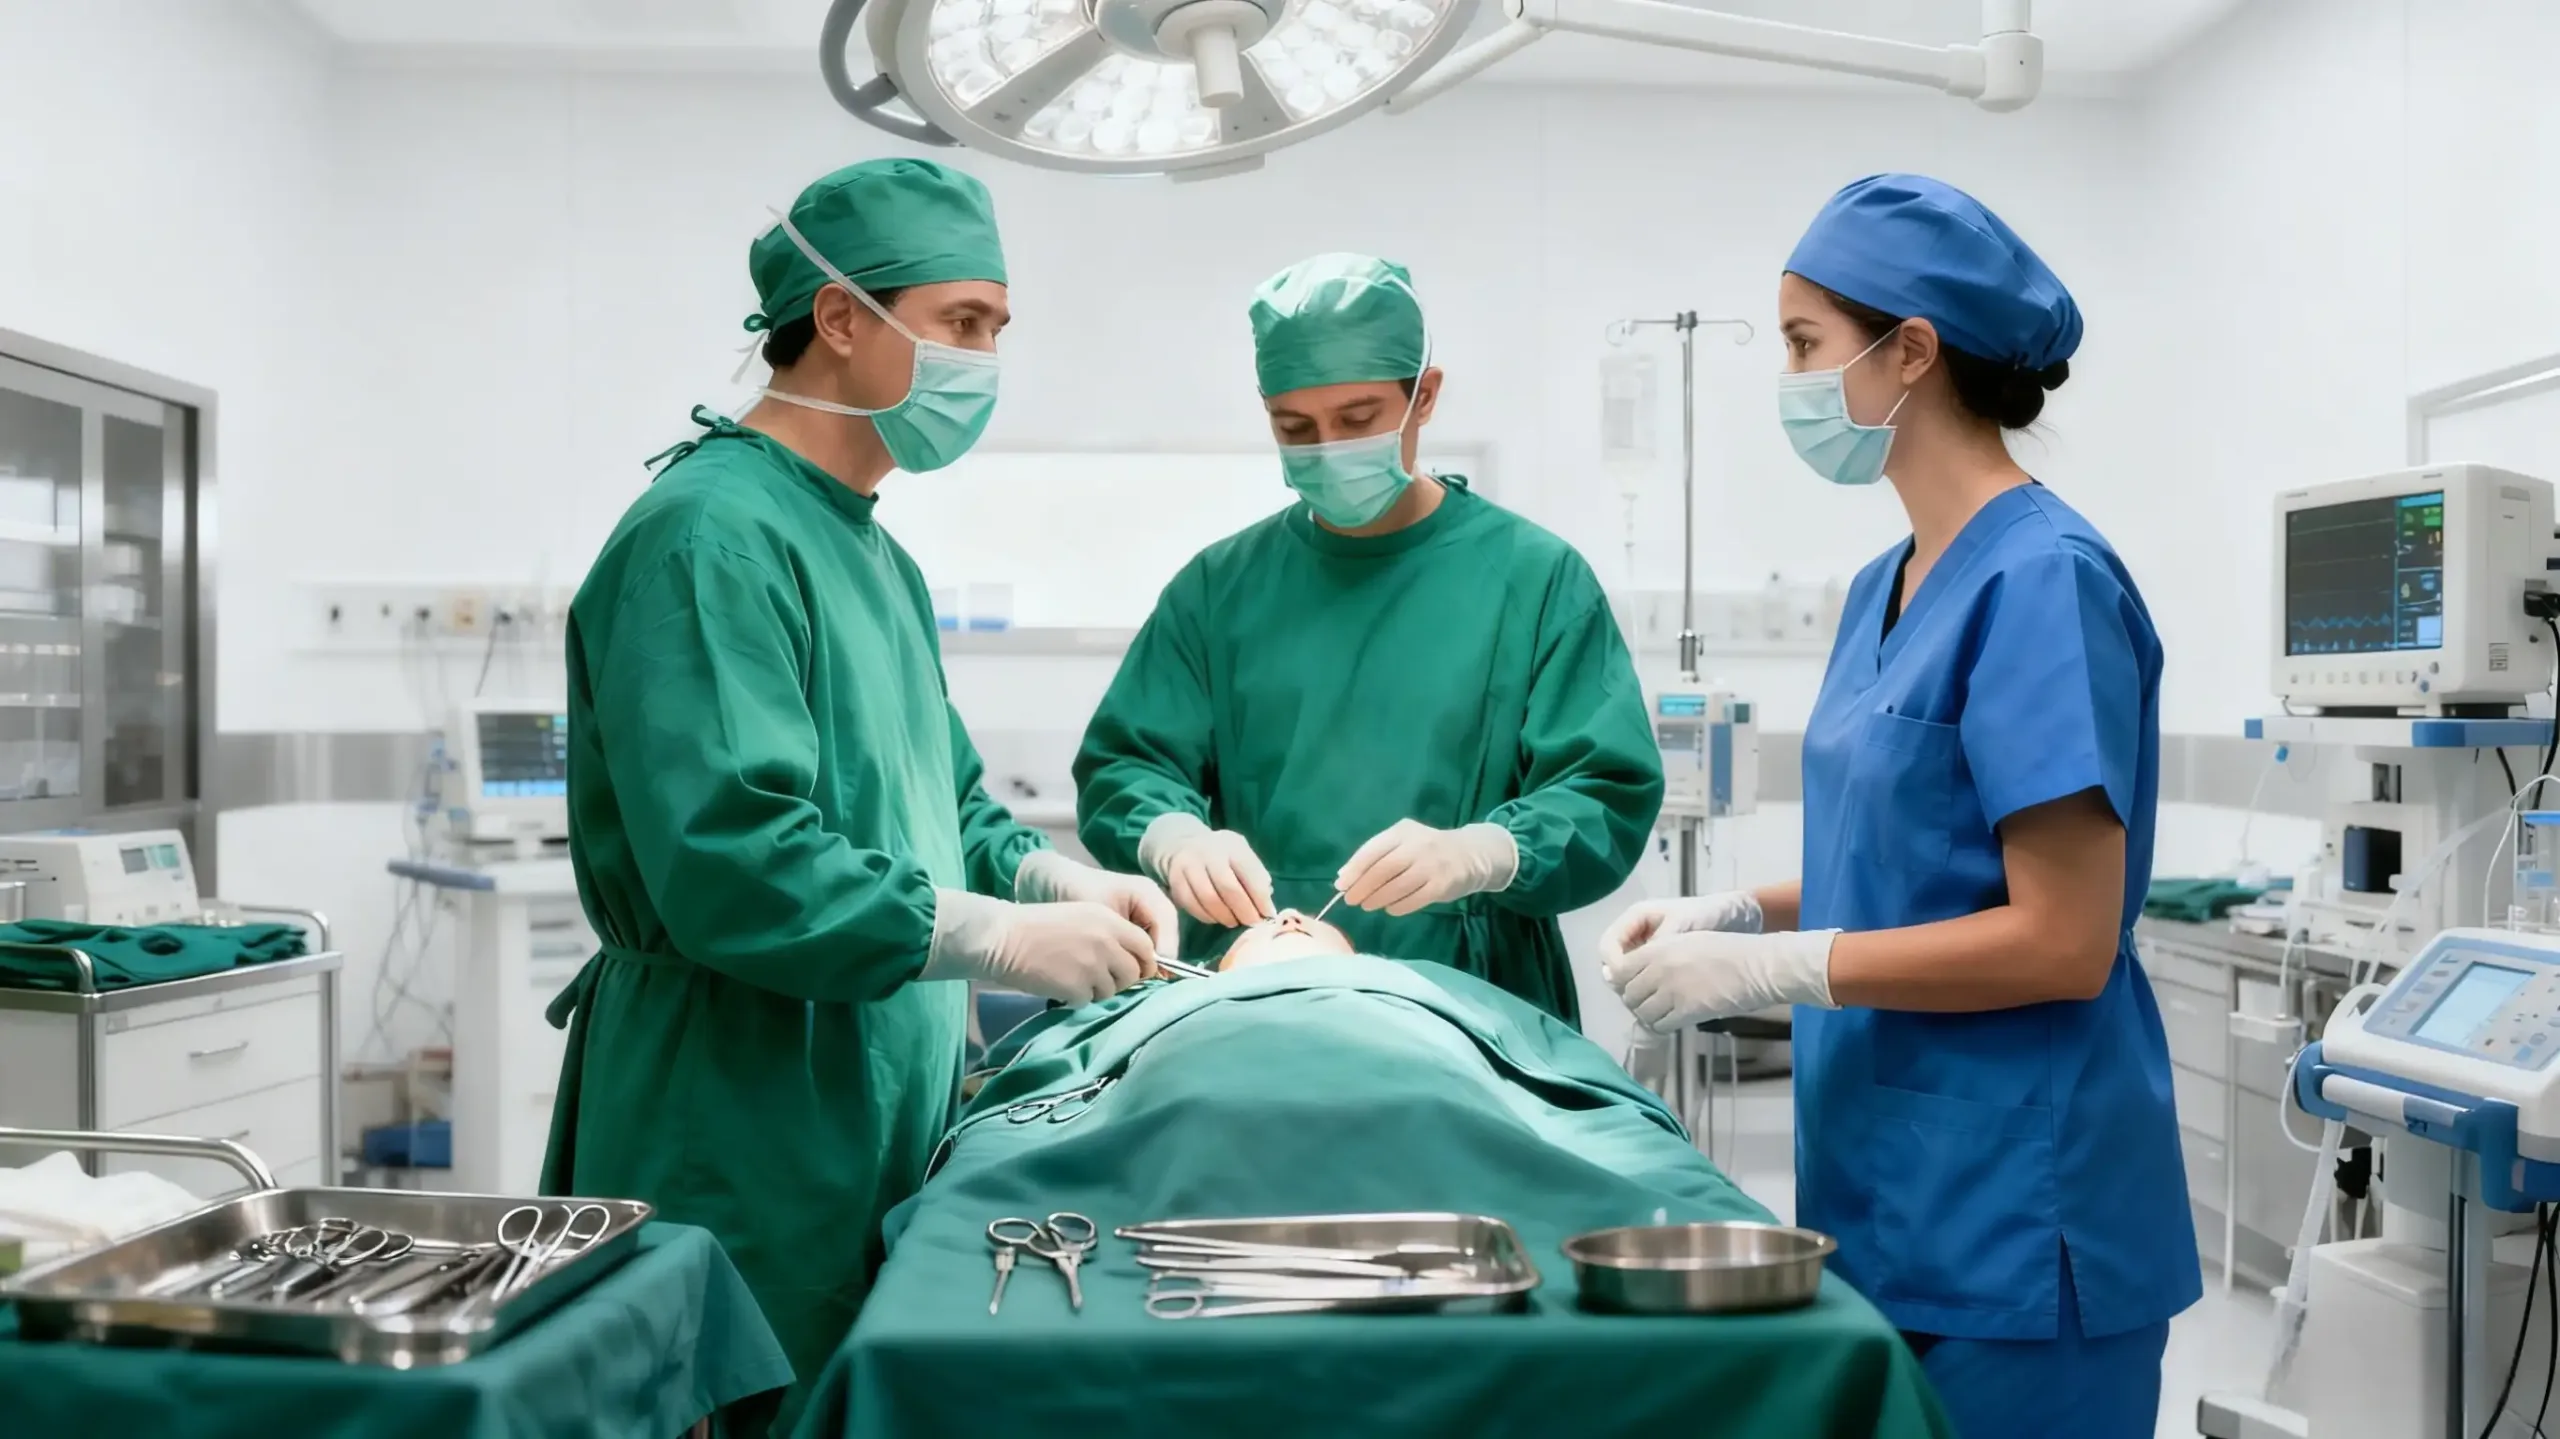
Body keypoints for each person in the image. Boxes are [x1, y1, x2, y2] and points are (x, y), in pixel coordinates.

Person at [540, 158, 1177, 1422]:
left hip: (864, 1087)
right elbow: (736, 855)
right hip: (740, 1100)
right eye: (962, 323)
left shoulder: (870, 553)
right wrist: (997, 936)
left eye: (997, 329)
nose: (985, 361)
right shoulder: (708, 535)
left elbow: (946, 804)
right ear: (841, 318)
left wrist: (1051, 877)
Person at [1599, 175, 2196, 1437]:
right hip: (1885, 1198)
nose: (1795, 382)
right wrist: (1733, 914)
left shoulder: (2042, 580)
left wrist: (1780, 973)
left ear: (1910, 350)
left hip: (2020, 1230)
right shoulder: (1889, 578)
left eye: (1807, 345)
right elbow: (1907, 860)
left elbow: (2062, 937)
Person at [1074, 252, 1664, 1022]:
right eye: (1296, 427)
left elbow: (1603, 793)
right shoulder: (1220, 587)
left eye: (1356, 420)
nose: (1326, 448)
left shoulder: (1535, 579)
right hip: (1252, 1014)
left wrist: (1487, 851)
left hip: (1477, 1007)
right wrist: (1174, 835)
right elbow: (1126, 764)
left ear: (1426, 396)